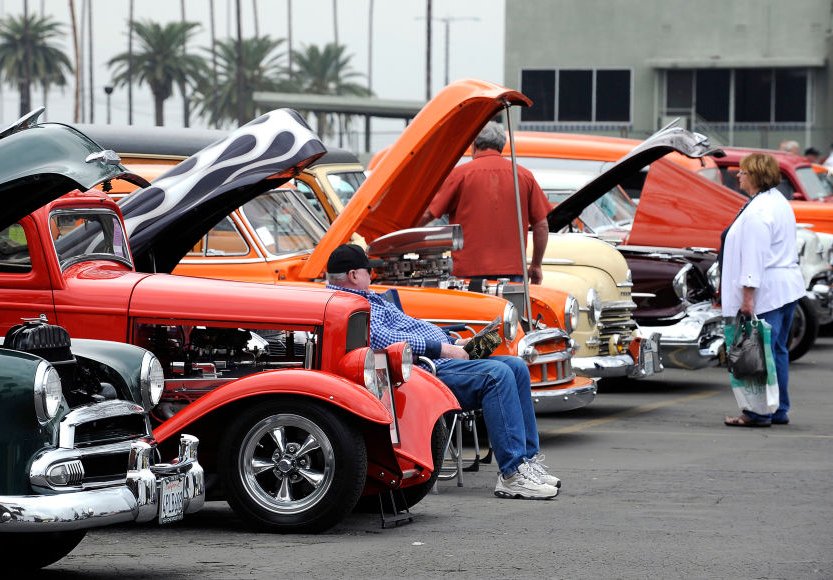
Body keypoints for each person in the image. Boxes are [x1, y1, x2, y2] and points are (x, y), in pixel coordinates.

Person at [325, 243, 560, 499]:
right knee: (497, 375)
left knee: (516, 367)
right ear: (353, 275)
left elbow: (411, 326)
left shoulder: (368, 298)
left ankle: (527, 462)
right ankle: (512, 474)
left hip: (437, 359)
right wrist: (446, 349)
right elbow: (384, 340)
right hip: (420, 371)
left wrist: (455, 342)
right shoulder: (350, 304)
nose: (372, 276)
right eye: (368, 271)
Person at [720, 153, 805, 427]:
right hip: (786, 288)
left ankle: (757, 412)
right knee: (776, 350)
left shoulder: (758, 212)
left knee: (757, 351)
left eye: (743, 172)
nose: (738, 175)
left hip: (766, 291)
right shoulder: (778, 201)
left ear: (755, 176)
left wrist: (747, 298)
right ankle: (778, 408)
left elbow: (753, 257)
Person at [418, 121, 550, 284]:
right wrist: (536, 265)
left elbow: (428, 214)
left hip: (468, 272)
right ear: (501, 146)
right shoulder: (524, 176)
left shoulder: (459, 175)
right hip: (513, 272)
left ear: (474, 145)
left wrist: (397, 236)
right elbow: (541, 226)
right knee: (511, 302)